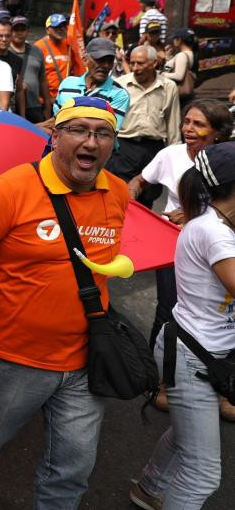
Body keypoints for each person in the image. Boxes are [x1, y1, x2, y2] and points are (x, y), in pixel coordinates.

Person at [0, 96, 129, 509]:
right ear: (56, 135)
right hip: (13, 358)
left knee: (73, 467)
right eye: (80, 130)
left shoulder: (116, 192)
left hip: (85, 360)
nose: (92, 142)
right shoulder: (7, 190)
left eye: (103, 134)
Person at [130, 142, 235, 510]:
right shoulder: (214, 233)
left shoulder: (217, 224)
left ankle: (147, 489)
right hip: (191, 357)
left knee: (184, 436)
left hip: (203, 351)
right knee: (203, 472)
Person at [126, 100, 233, 377]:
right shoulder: (170, 155)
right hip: (173, 244)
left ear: (218, 133)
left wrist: (192, 214)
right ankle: (158, 378)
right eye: (186, 122)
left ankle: (217, 380)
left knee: (219, 314)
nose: (188, 128)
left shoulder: (228, 163)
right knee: (169, 308)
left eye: (198, 124)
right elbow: (140, 180)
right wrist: (127, 199)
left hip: (221, 248)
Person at [109, 44, 182, 205]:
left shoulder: (169, 87)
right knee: (119, 196)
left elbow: (173, 125)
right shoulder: (120, 85)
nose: (135, 68)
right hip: (124, 148)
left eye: (140, 63)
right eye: (132, 63)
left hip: (153, 150)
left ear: (154, 63)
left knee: (148, 198)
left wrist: (175, 158)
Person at [50, 37, 130, 132]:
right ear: (85, 60)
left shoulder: (119, 94)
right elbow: (56, 120)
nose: (106, 66)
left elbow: (107, 133)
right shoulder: (67, 84)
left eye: (110, 61)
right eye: (100, 60)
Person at [5, 16, 50, 122]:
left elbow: (42, 79)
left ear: (28, 31)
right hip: (12, 106)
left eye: (22, 29)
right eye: (16, 29)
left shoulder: (37, 51)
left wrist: (47, 105)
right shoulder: (5, 52)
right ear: (10, 31)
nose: (19, 33)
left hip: (34, 105)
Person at [35, 14, 83, 103]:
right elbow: (34, 76)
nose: (61, 29)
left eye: (63, 26)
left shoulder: (69, 44)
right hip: (45, 101)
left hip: (66, 98)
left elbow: (77, 68)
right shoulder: (38, 47)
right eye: (57, 27)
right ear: (47, 30)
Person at [163, 28, 196, 102]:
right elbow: (168, 68)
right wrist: (169, 58)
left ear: (179, 40)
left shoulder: (182, 55)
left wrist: (161, 74)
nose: (173, 41)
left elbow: (179, 76)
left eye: (174, 39)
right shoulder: (191, 53)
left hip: (179, 95)